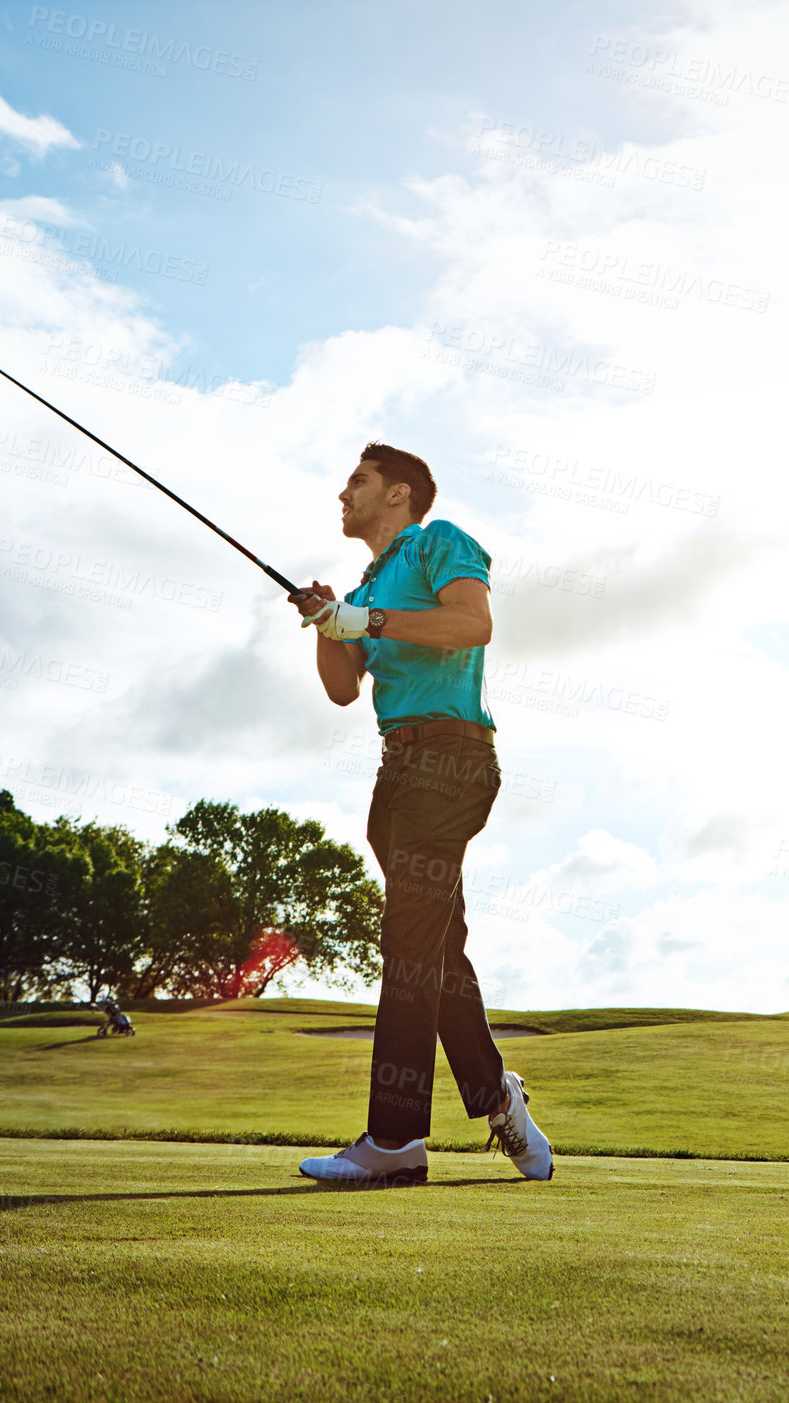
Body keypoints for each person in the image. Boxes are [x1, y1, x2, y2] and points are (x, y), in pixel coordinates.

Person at [292, 443, 553, 1186]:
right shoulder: (367, 582)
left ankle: (397, 1138)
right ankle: (494, 1092)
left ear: (399, 493)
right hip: (397, 768)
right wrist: (326, 622)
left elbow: (471, 625)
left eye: (358, 481)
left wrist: (364, 617)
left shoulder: (440, 542)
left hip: (452, 758)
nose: (343, 492)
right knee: (433, 947)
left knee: (407, 938)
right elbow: (343, 691)